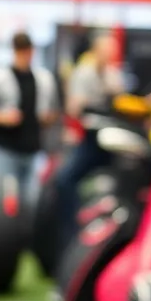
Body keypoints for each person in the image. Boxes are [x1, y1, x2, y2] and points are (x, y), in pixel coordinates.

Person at [54, 33, 125, 247]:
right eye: (106, 51)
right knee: (64, 180)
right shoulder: (83, 74)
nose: (109, 55)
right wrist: (87, 105)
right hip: (91, 139)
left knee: (124, 182)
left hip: (113, 140)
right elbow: (73, 109)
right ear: (96, 51)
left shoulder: (113, 75)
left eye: (112, 52)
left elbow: (123, 102)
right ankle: (72, 231)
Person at [0, 32, 57, 199]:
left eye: (27, 51)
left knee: (30, 203)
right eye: (21, 51)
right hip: (4, 150)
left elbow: (53, 112)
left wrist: (46, 118)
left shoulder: (43, 79)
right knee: (1, 201)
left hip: (32, 151)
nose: (25, 55)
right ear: (14, 51)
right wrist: (3, 118)